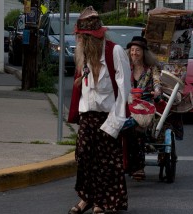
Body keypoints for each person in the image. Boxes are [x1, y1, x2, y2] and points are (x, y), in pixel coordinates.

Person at [67, 6, 131, 214]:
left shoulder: (115, 52)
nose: (80, 42)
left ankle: (103, 202)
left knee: (106, 162)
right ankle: (86, 198)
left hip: (108, 115)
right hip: (88, 115)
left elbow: (124, 90)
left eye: (84, 38)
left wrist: (116, 122)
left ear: (94, 37)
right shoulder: (84, 55)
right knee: (84, 157)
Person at [123, 36, 163, 181]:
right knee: (123, 127)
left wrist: (157, 91)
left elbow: (157, 83)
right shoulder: (126, 68)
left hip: (146, 108)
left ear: (144, 53)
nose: (134, 53)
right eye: (132, 50)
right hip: (128, 106)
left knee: (136, 128)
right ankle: (127, 163)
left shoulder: (152, 69)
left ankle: (138, 166)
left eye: (137, 50)